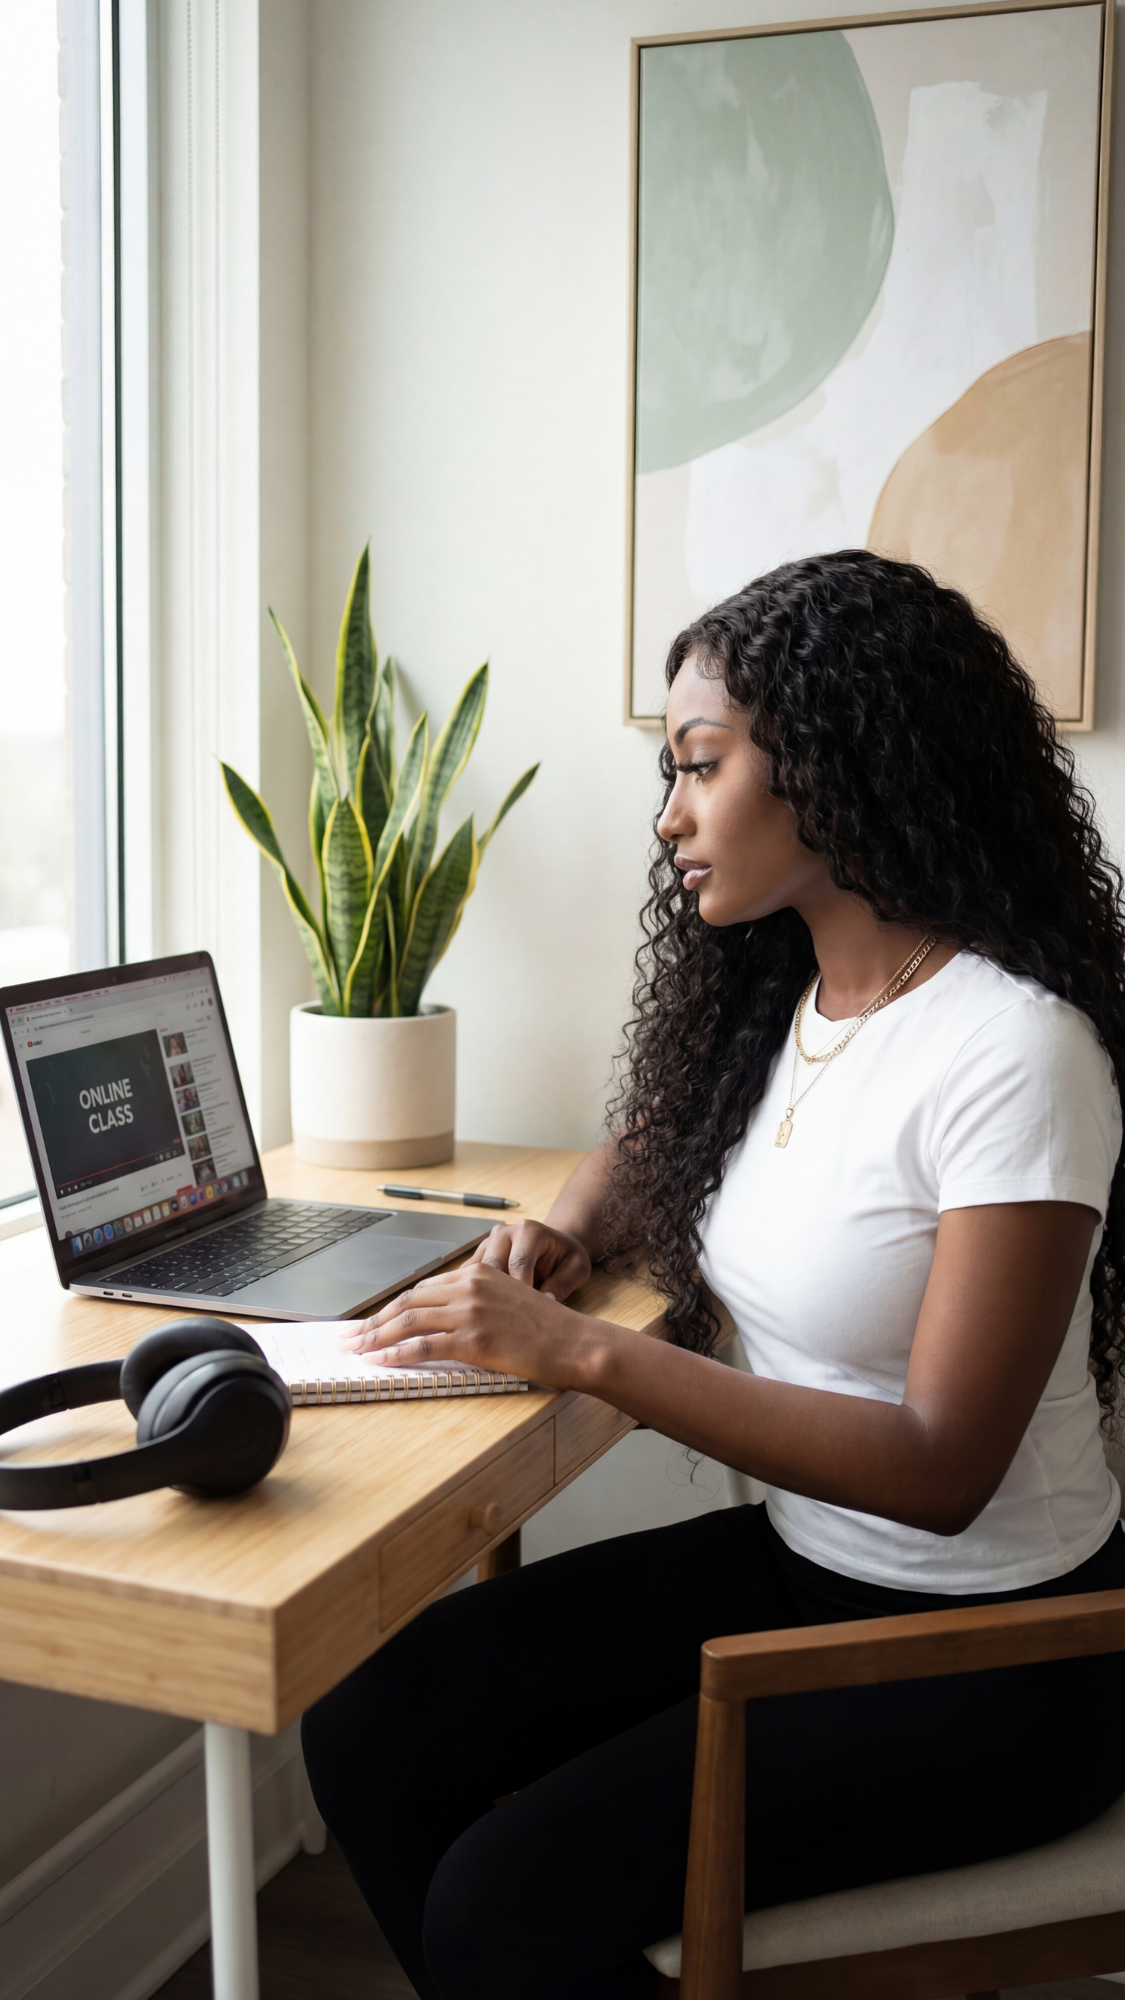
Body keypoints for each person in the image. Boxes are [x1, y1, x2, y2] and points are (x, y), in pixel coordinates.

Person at [302, 552, 1125, 2000]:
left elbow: (942, 1468)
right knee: (370, 1726)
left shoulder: (1017, 1052)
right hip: (809, 1564)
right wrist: (558, 1229)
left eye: (699, 765)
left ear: (833, 755)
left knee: (500, 1905)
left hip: (998, 1654)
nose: (671, 817)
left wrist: (583, 1351)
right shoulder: (794, 992)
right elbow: (647, 1148)